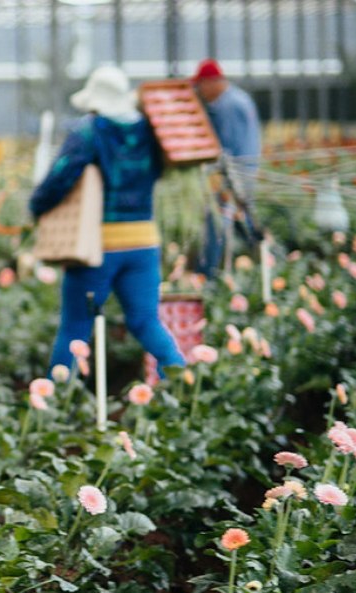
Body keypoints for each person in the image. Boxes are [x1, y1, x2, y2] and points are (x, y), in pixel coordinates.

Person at [29, 66, 186, 376]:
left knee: (75, 326)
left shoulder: (89, 131)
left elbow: (61, 177)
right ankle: (183, 379)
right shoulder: (151, 131)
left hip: (97, 245)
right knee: (145, 321)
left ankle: (55, 402)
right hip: (143, 242)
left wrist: (37, 206)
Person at [193, 58, 263, 275]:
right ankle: (260, 261)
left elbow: (226, 148)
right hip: (247, 171)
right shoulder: (239, 98)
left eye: (200, 85)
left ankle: (210, 274)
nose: (200, 92)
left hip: (234, 176)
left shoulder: (227, 106)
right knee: (243, 221)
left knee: (217, 222)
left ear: (212, 82)